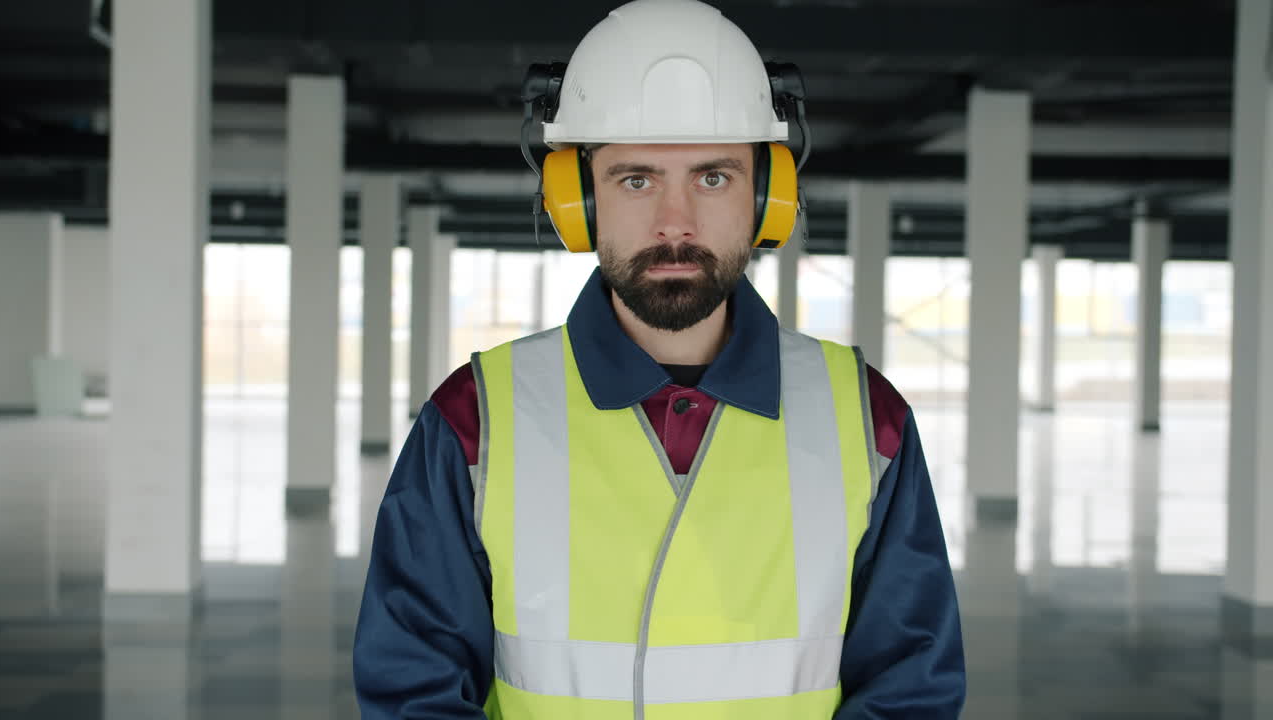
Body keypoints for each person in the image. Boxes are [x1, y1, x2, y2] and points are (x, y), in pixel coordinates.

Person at [353, 0, 965, 717]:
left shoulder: (868, 421)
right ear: (577, 201)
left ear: (767, 198)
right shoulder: (474, 422)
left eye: (713, 177)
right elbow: (412, 688)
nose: (676, 222)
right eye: (636, 179)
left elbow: (910, 690)